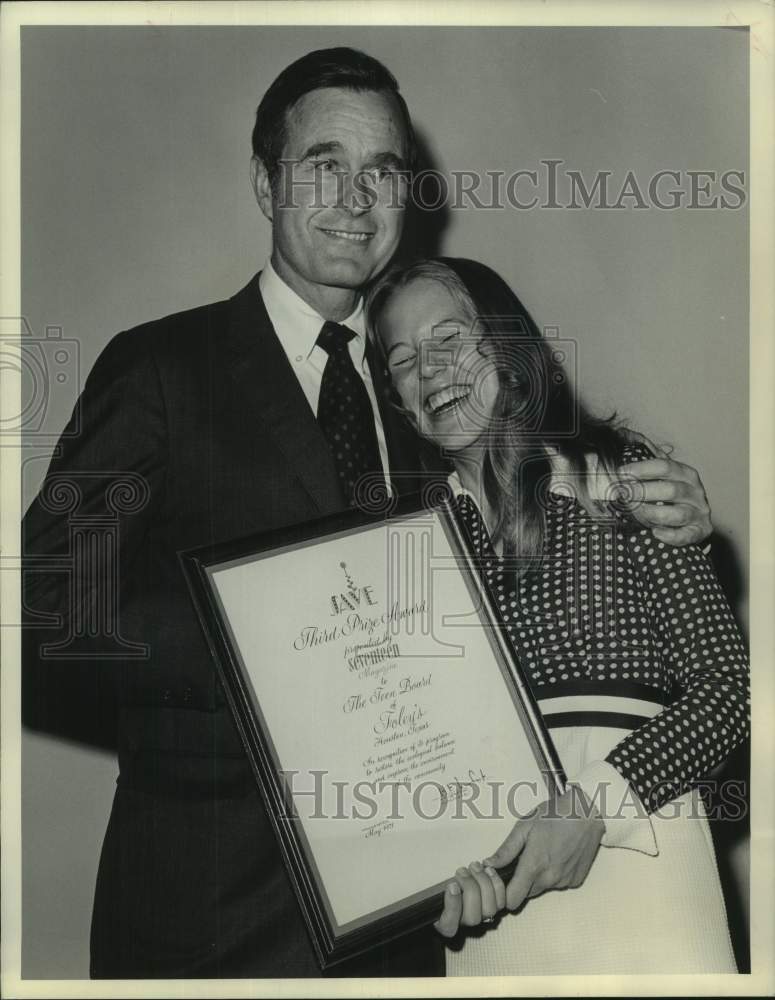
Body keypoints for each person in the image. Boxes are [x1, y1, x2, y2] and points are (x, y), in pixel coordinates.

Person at [21, 49, 715, 979]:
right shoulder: (162, 367)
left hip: (424, 922)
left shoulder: (434, 403)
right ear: (266, 183)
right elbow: (44, 605)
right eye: (324, 165)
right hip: (209, 913)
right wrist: (256, 644)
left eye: (381, 170)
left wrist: (663, 506)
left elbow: (545, 520)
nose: (355, 197)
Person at [366, 256, 750, 975]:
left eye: (449, 339)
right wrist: (426, 880)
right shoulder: (407, 549)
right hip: (496, 913)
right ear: (397, 400)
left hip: (646, 878)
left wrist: (595, 806)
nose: (430, 371)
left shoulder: (619, 478)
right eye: (403, 361)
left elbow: (731, 694)